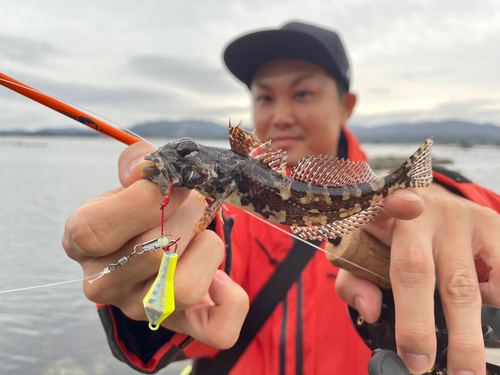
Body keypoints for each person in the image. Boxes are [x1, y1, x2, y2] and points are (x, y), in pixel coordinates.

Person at [63, 21, 500, 374]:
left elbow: (463, 209)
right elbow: (165, 336)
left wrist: (446, 195)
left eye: (303, 92)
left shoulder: (391, 205)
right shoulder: (225, 228)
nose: (280, 116)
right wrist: (134, 278)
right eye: (264, 96)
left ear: (346, 105)